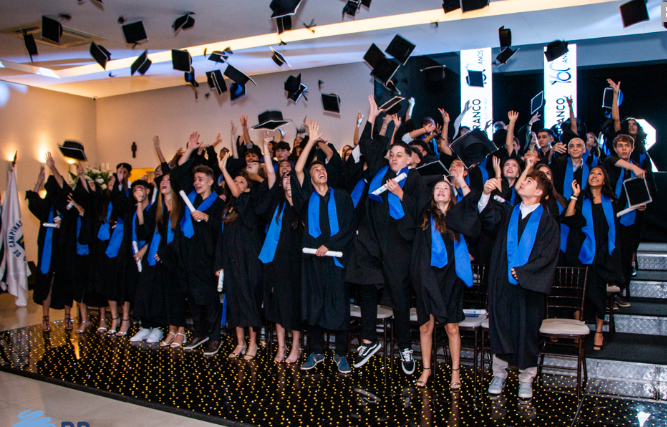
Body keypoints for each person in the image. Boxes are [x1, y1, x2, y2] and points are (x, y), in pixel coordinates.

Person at [346, 96, 424, 375]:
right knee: (366, 289)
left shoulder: (414, 179)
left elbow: (419, 212)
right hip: (369, 242)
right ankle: (369, 340)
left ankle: (405, 347)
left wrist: (400, 194)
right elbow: (367, 145)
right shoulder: (379, 170)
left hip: (396, 246)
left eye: (399, 155)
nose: (393, 157)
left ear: (409, 159)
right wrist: (372, 117)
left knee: (400, 300)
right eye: (391, 154)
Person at [477, 171, 560, 400]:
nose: (523, 182)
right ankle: (499, 374)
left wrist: (525, 272)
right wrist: (485, 194)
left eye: (529, 181)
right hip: (502, 281)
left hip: (529, 286)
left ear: (540, 192)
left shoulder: (548, 222)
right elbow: (487, 218)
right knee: (501, 326)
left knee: (527, 330)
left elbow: (548, 256)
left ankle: (526, 379)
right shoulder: (507, 212)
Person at [291, 120, 355, 374]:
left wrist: (328, 246)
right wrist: (310, 141)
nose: (321, 171)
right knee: (314, 306)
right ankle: (316, 351)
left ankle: (341, 354)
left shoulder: (341, 196)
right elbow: (297, 170)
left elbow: (349, 228)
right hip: (313, 260)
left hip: (337, 259)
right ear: (310, 176)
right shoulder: (306, 199)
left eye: (323, 168)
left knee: (339, 308)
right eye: (316, 169)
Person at [411, 173, 477, 389]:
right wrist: (440, 174)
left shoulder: (458, 217)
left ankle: (455, 372)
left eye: (445, 188)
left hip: (452, 277)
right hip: (427, 277)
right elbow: (421, 184)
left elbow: (475, 219)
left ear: (451, 195)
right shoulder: (423, 215)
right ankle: (427, 369)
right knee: (425, 327)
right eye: (437, 187)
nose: (440, 190)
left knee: (451, 328)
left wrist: (458, 181)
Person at [171, 132, 226, 355]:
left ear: (211, 181)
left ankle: (214, 336)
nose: (196, 183)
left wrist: (207, 219)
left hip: (208, 257)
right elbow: (175, 178)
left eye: (200, 180)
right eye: (195, 180)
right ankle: (199, 332)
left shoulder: (218, 204)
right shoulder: (190, 198)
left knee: (210, 300)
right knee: (193, 298)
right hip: (188, 253)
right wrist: (191, 150)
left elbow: (223, 230)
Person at [561, 167, 622, 351]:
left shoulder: (610, 203)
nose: (594, 176)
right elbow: (568, 218)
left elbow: (613, 232)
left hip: (602, 256)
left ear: (604, 180)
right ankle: (579, 329)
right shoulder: (581, 200)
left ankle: (599, 332)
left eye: (599, 174)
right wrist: (574, 195)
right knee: (580, 291)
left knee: (599, 293)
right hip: (582, 253)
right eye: (592, 173)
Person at [256, 140, 304, 363]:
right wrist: (266, 149)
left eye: (290, 176)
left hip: (295, 263)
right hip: (275, 261)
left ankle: (296, 346)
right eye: (283, 176)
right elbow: (269, 172)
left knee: (292, 305)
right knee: (276, 304)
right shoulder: (277, 203)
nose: (286, 179)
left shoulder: (301, 205)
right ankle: (281, 346)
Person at [216, 152, 263, 360]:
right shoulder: (228, 209)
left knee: (249, 302)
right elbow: (221, 239)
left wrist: (224, 169)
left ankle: (253, 344)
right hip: (231, 262)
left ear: (248, 187)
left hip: (249, 262)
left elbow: (240, 195)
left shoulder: (251, 204)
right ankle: (240, 343)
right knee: (234, 302)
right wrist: (220, 264)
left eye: (241, 181)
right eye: (234, 182)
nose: (236, 184)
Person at [26, 155, 73, 332]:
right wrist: (38, 182)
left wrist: (53, 168)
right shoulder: (47, 205)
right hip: (47, 247)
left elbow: (65, 186)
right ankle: (45, 318)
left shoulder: (67, 203)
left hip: (64, 248)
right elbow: (33, 201)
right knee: (47, 281)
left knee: (66, 282)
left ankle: (68, 317)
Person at [602, 134, 649, 306]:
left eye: (626, 146)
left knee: (626, 255)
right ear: (615, 148)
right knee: (610, 254)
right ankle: (608, 294)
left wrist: (642, 203)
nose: (623, 148)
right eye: (620, 145)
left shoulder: (636, 169)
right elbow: (614, 160)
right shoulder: (610, 162)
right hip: (610, 217)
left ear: (632, 148)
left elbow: (642, 192)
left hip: (629, 218)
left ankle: (621, 292)